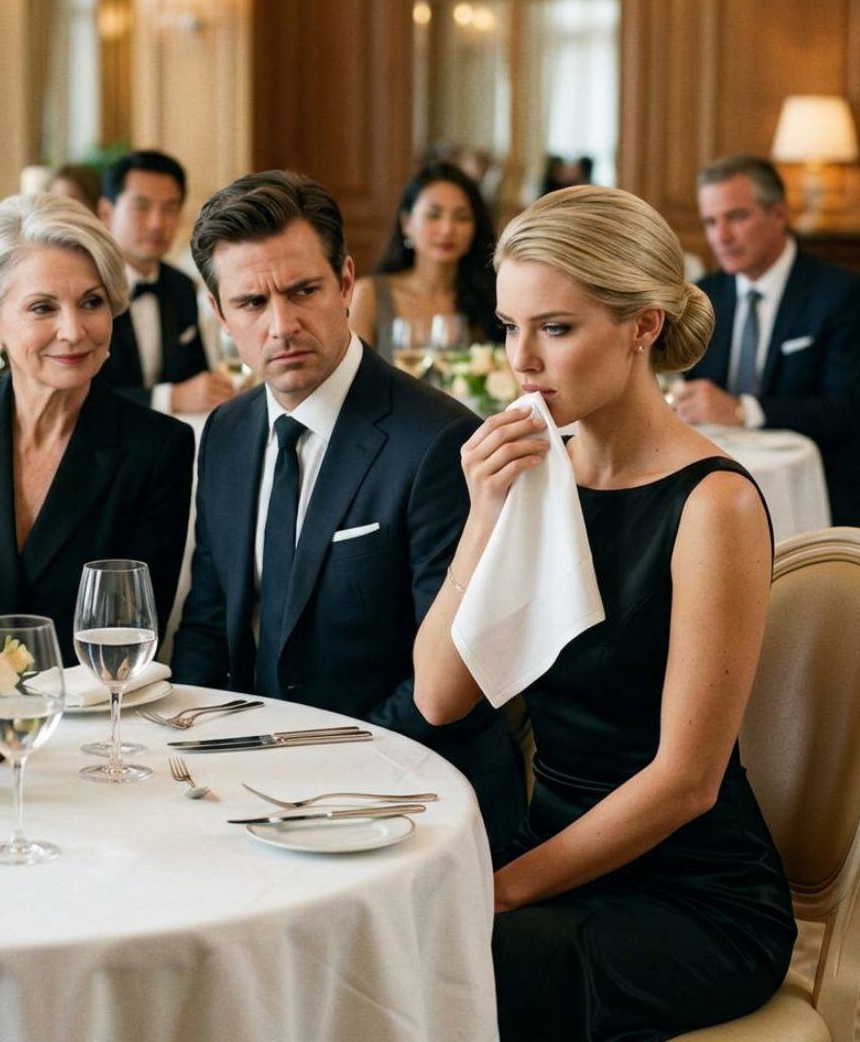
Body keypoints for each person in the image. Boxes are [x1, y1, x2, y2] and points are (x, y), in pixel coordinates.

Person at [412, 185, 795, 1040]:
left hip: (694, 897)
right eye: (509, 327)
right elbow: (439, 696)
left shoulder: (715, 504)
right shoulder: (533, 473)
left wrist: (501, 889)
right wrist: (484, 515)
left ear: (643, 326)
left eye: (555, 328)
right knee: (389, 941)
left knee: (464, 961)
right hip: (551, 853)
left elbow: (686, 782)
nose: (522, 360)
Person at [171, 170, 526, 852]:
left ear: (345, 282)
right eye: (251, 302)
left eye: (303, 291)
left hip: (409, 794)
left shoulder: (437, 441)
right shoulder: (226, 431)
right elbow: (209, 626)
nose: (282, 325)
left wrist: (319, 773)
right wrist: (188, 755)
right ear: (219, 314)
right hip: (252, 789)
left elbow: (449, 682)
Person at [0, 194, 194, 664]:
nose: (73, 330)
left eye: (91, 302)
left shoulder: (157, 447)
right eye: (43, 308)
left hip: (91, 705)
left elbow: (131, 633)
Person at [675, 154, 860, 525]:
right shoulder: (703, 296)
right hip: (711, 481)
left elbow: (848, 408)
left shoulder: (840, 294)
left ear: (779, 214)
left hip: (816, 484)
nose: (721, 237)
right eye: (711, 222)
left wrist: (744, 411)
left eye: (736, 217)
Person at [97, 149, 234, 414]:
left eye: (170, 208)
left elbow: (196, 376)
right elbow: (79, 394)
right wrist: (169, 398)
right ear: (106, 213)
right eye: (142, 206)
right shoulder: (87, 289)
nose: (157, 223)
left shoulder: (182, 286)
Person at [352, 161, 502, 360]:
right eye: (434, 215)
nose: (447, 229)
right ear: (406, 223)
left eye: (462, 217)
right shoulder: (369, 295)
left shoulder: (490, 297)